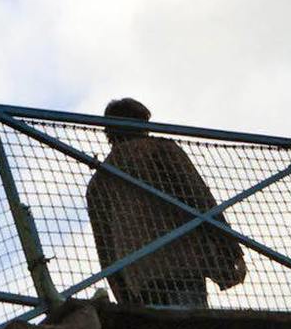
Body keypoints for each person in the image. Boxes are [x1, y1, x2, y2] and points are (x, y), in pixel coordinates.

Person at [87, 97, 247, 307]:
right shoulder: (160, 149)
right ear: (140, 124)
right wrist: (230, 251)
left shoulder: (99, 182)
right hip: (182, 264)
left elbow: (105, 246)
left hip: (137, 278)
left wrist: (122, 294)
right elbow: (199, 199)